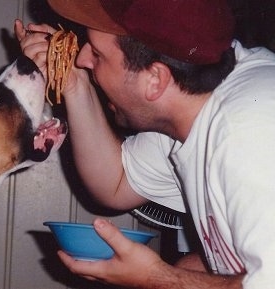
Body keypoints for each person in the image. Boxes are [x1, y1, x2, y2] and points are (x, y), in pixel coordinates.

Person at [14, 0, 275, 288]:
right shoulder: (191, 107)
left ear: (155, 80)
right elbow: (115, 183)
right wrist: (74, 84)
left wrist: (158, 278)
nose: (82, 59)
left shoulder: (249, 130)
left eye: (98, 55)